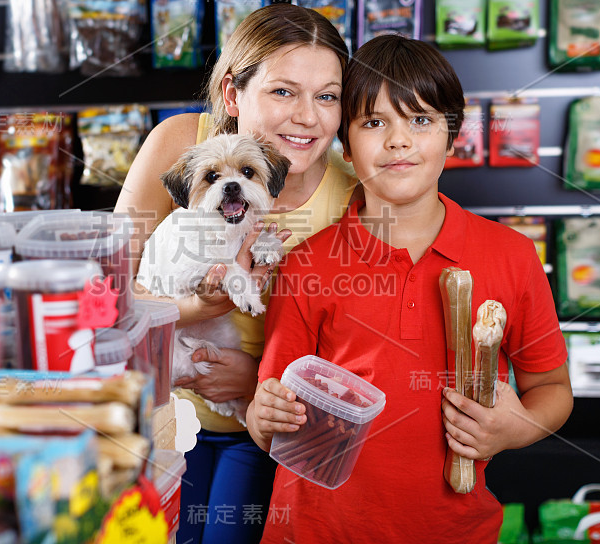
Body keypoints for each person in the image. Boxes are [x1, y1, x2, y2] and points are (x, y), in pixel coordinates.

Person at [246, 34, 574, 543]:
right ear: (346, 147)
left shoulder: (511, 255)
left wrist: (519, 429)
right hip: (315, 531)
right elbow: (268, 413)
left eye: (420, 120)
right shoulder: (305, 264)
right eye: (374, 122)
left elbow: (552, 389)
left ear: (453, 134)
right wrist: (263, 416)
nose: (398, 140)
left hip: (455, 531)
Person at [114, 3, 361, 544]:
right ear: (232, 93)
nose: (307, 116)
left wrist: (256, 380)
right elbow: (105, 294)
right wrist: (199, 310)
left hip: (272, 430)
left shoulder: (353, 194)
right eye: (282, 91)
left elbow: (355, 356)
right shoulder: (181, 144)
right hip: (165, 414)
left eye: (327, 96)